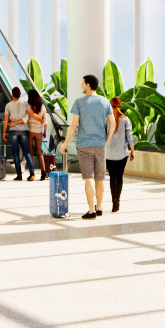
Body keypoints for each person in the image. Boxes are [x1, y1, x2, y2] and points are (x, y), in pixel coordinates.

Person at [62, 74, 114, 219]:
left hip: (84, 145)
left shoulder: (79, 102)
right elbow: (113, 123)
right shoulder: (105, 102)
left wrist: (65, 143)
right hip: (100, 145)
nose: (81, 86)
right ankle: (100, 207)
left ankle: (91, 211)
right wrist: (106, 140)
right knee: (100, 178)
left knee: (89, 178)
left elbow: (73, 125)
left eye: (82, 83)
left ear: (89, 85)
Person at [105, 96, 134, 211]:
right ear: (120, 106)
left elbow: (102, 135)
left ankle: (114, 201)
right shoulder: (126, 120)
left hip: (109, 154)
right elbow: (129, 137)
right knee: (119, 177)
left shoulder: (106, 119)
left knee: (112, 177)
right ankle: (118, 199)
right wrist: (132, 150)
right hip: (122, 154)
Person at [2, 91, 33, 181]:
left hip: (13, 131)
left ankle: (19, 175)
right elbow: (31, 114)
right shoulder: (25, 103)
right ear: (19, 95)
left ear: (12, 95)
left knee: (15, 154)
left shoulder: (8, 105)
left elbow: (6, 120)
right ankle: (32, 172)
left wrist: (4, 132)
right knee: (26, 152)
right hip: (24, 131)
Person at [25, 89, 49, 179]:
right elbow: (45, 121)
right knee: (39, 153)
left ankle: (32, 173)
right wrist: (45, 131)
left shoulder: (29, 107)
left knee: (30, 153)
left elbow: (26, 119)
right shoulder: (42, 107)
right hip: (39, 132)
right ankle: (43, 172)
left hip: (30, 131)